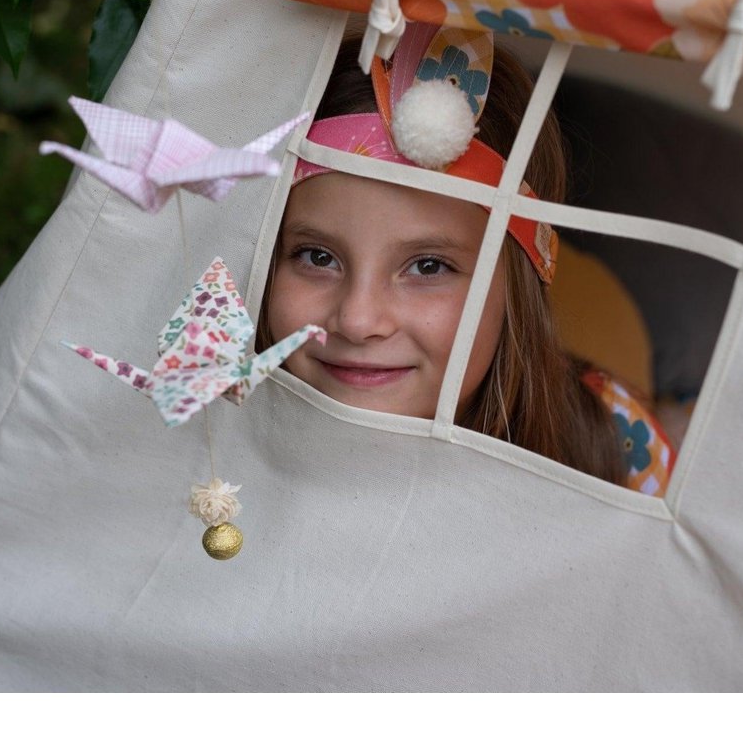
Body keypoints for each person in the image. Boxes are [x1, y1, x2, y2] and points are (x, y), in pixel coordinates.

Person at [258, 28, 673, 492]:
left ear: (518, 281)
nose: (357, 320)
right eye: (317, 257)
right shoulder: (207, 434)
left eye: (428, 266)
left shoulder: (614, 446)